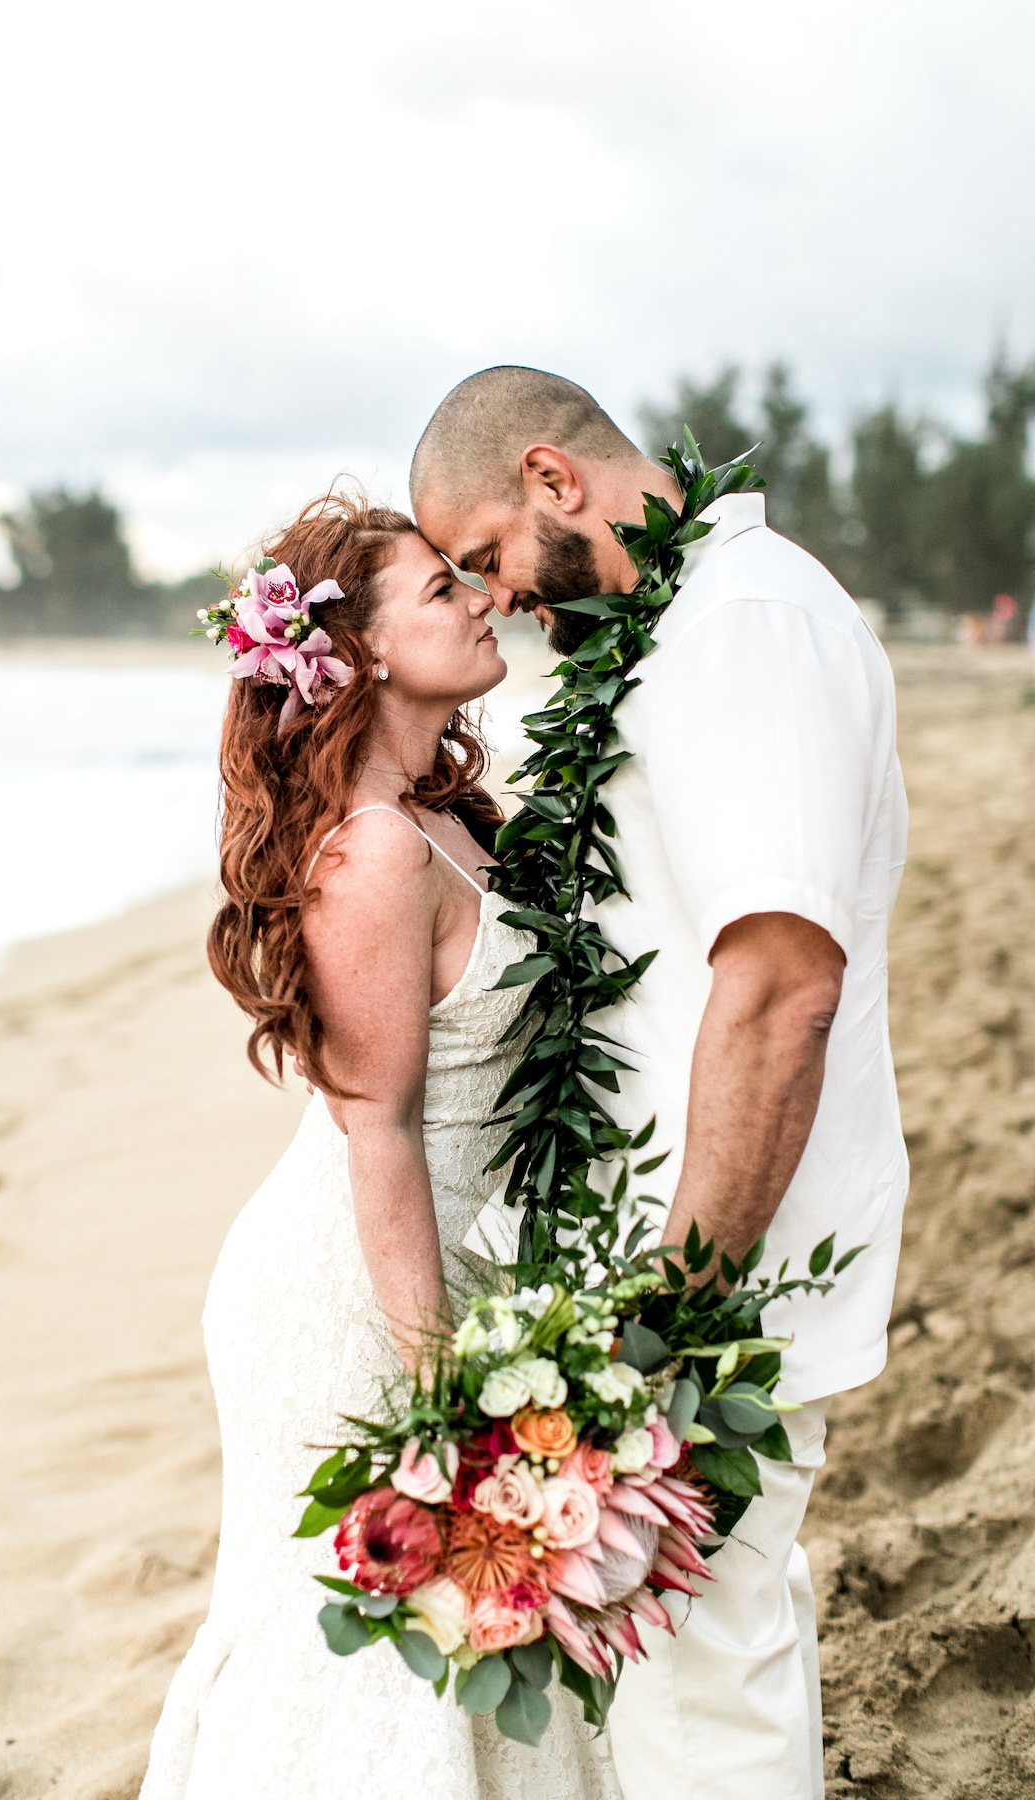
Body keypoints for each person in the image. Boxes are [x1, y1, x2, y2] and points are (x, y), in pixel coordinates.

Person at [412, 366, 910, 1800]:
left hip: (714, 1273)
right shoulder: (669, 634)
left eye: (485, 559)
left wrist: (672, 1319)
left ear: (555, 482)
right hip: (660, 1259)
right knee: (690, 1649)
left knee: (703, 1672)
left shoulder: (744, 625)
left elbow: (778, 984)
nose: (493, 598)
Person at [139, 492, 620, 1800]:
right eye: (441, 589)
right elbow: (379, 1133)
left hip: (442, 1265)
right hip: (356, 1293)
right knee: (358, 1646)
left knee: (454, 1634)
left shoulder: (451, 815)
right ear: (358, 656)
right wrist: (441, 1396)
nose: (480, 598)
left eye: (473, 577)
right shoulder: (371, 854)